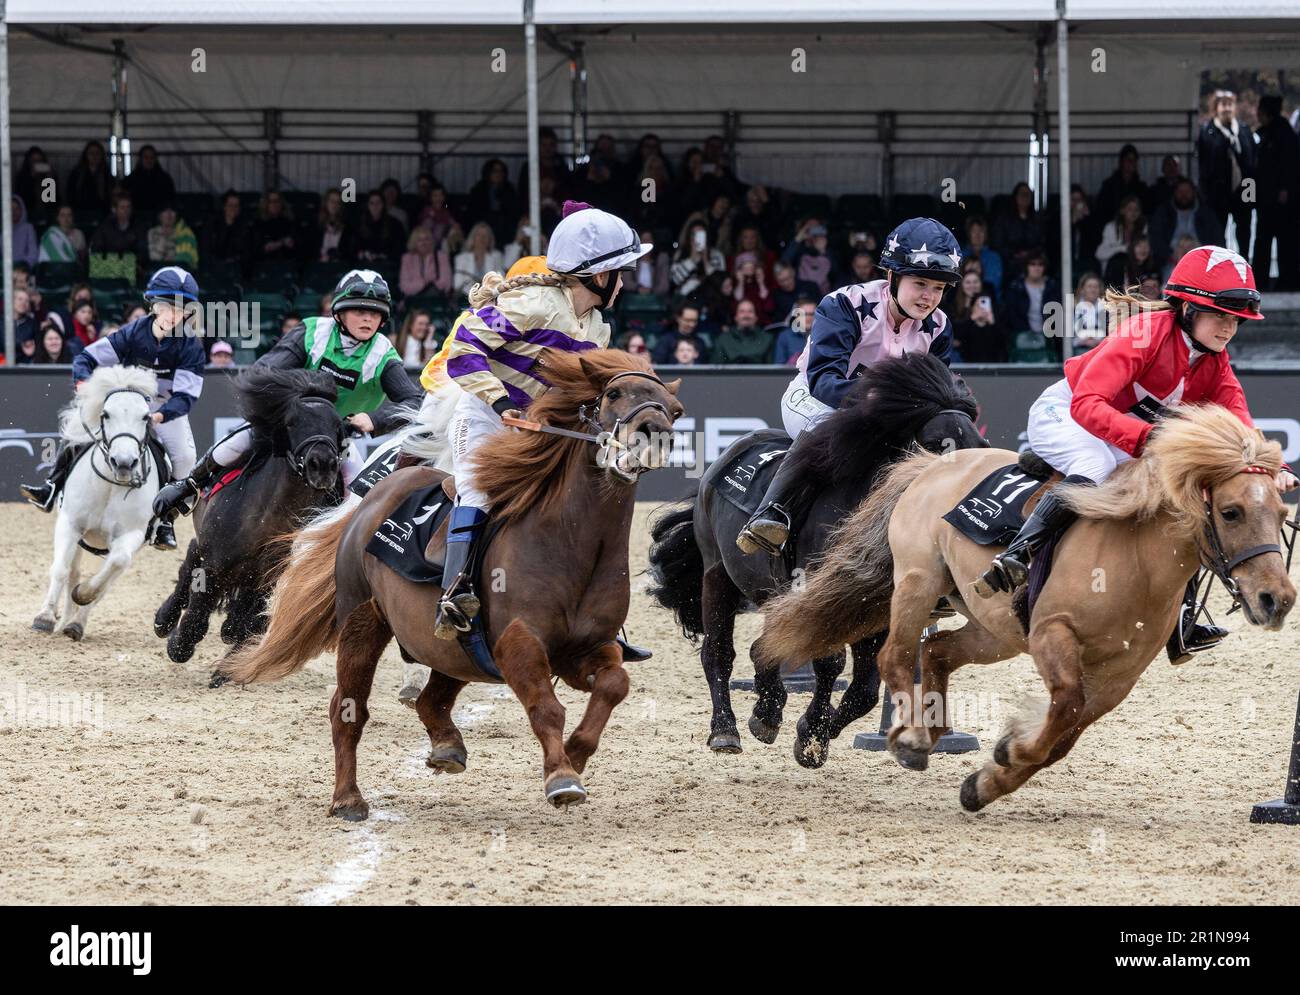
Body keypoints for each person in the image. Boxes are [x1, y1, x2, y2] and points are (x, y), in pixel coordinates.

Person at [975, 246, 1299, 664]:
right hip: (1067, 413)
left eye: (1236, 319)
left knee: (1184, 497)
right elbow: (1088, 404)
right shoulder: (1143, 333)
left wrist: (1278, 469)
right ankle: (1016, 554)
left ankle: (1183, 618)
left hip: (1121, 432)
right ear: (1187, 308)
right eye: (1221, 315)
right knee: (1095, 465)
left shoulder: (1216, 363)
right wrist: (1149, 440)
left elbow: (1242, 427)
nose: (1229, 328)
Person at [433, 201, 653, 663]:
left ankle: (600, 618)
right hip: (483, 414)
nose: (625, 281)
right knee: (474, 490)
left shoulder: (597, 327)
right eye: (621, 271)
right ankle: (454, 593)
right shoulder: (532, 302)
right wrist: (504, 405)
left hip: (538, 424)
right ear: (597, 274)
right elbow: (463, 352)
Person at [736, 217, 961, 556]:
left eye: (939, 289)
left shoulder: (940, 326)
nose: (929, 297)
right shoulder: (844, 305)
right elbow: (825, 381)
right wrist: (885, 403)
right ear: (892, 276)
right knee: (826, 429)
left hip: (888, 414)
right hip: (816, 399)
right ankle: (771, 513)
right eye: (921, 283)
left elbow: (937, 391)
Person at [152, 270, 422, 528]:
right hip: (289, 426)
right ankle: (188, 486)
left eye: (375, 313)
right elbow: (263, 372)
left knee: (363, 500)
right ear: (339, 313)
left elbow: (415, 403)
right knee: (235, 443)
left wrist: (374, 419)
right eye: (360, 311)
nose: (368, 319)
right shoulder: (313, 332)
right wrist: (307, 390)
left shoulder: (383, 354)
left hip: (337, 440)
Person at [20, 267, 207, 551]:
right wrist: (83, 384)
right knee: (78, 425)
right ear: (154, 305)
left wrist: (158, 416)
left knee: (185, 457)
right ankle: (51, 487)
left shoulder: (190, 345)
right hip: (127, 401)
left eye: (180, 310)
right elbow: (86, 357)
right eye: (167, 307)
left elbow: (185, 397)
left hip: (165, 408)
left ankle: (165, 522)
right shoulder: (133, 333)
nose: (173, 315)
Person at [1197, 91, 1257, 250]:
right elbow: (1203, 166)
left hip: (1244, 190)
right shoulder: (1207, 132)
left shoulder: (1243, 130)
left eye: (1230, 104)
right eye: (1223, 104)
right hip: (1218, 193)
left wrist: (1251, 195)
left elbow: (1252, 163)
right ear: (1216, 108)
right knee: (1217, 235)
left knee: (1244, 233)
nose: (1227, 109)